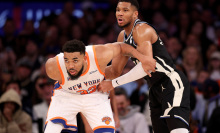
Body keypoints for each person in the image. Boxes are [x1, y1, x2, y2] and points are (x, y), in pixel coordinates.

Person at [98, 0, 190, 133]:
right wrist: (89, 70)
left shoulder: (142, 30)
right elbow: (114, 71)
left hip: (171, 82)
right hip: (154, 88)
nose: (120, 13)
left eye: (125, 10)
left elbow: (147, 67)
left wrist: (113, 84)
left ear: (135, 14)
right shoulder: (121, 37)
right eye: (118, 10)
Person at [44, 39, 156, 133]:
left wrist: (143, 58)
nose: (71, 65)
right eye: (67, 61)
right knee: (52, 129)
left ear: (85, 58)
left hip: (93, 94)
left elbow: (121, 47)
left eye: (75, 60)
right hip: (67, 95)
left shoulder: (99, 55)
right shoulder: (53, 67)